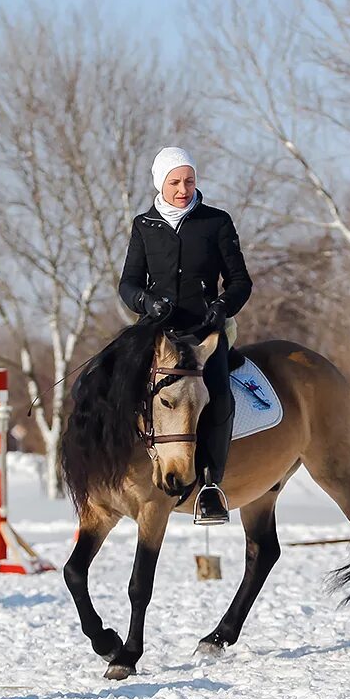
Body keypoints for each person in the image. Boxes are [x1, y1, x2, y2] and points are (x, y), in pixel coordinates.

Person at [118, 146, 253, 524]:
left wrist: (223, 306)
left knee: (219, 396)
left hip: (205, 334)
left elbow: (241, 281)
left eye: (189, 180)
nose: (183, 188)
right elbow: (128, 283)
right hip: (158, 332)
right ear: (160, 183)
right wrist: (145, 301)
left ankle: (210, 486)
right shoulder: (144, 225)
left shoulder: (216, 221)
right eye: (175, 182)